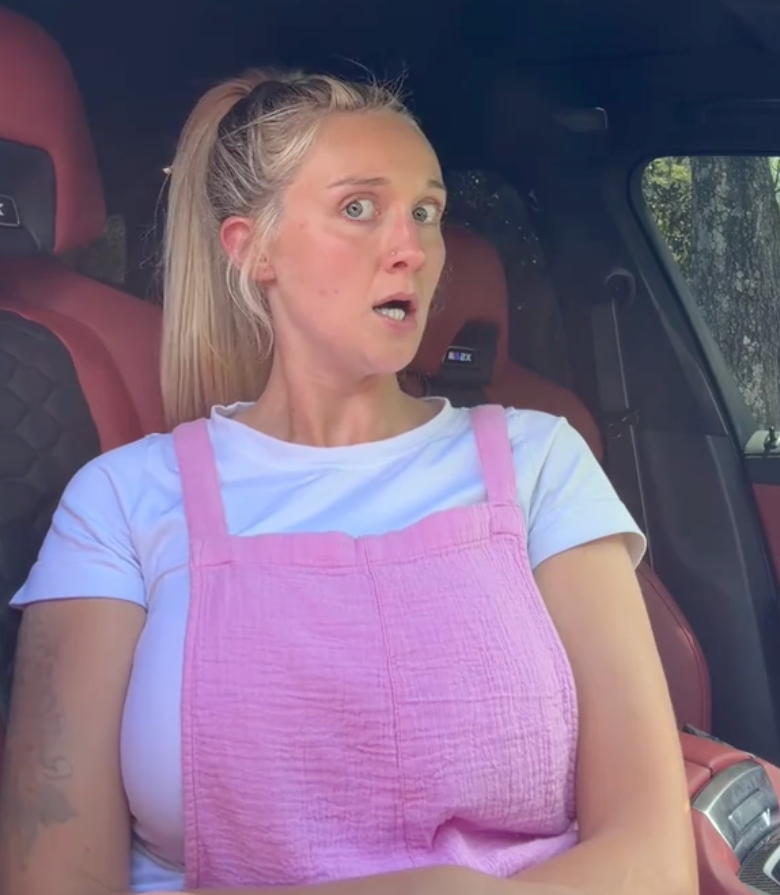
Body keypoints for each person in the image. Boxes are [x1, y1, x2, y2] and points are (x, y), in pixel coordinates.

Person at [0, 70, 697, 895]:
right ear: (252, 248)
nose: (412, 248)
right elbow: (53, 879)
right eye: (359, 207)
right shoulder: (120, 501)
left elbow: (654, 861)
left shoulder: (542, 461)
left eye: (427, 211)